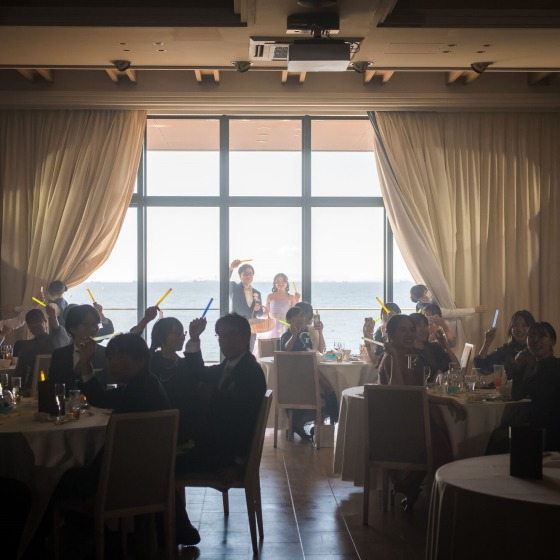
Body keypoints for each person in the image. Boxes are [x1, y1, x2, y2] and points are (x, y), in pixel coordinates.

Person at [378, 314, 466, 510]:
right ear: (391, 335)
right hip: (397, 427)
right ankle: (441, 496)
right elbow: (399, 394)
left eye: (412, 329)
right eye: (403, 330)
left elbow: (417, 392)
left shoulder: (410, 357)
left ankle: (421, 488)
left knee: (441, 436)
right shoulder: (390, 358)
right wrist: (393, 356)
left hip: (411, 420)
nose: (410, 334)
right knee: (440, 442)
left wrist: (447, 401)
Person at [181, 313, 266, 473]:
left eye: (231, 335)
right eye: (221, 336)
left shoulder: (250, 372)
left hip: (224, 455)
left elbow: (245, 421)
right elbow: (200, 373)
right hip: (219, 447)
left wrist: (238, 462)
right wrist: (194, 338)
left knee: (165, 461)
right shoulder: (231, 364)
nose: (225, 342)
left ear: (246, 338)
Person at [149, 316, 204, 444]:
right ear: (161, 336)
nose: (182, 337)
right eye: (177, 333)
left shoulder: (185, 363)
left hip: (182, 427)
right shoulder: (150, 361)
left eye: (183, 333)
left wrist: (195, 337)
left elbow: (199, 374)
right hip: (154, 426)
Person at [512, 322, 560, 451]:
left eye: (541, 336)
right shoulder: (534, 369)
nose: (535, 340)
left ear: (552, 341)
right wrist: (518, 368)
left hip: (553, 432)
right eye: (532, 335)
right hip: (537, 429)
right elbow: (516, 395)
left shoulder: (557, 366)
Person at [49, 304, 111, 391]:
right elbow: (53, 387)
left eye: (95, 324)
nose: (93, 329)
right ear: (72, 328)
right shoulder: (59, 355)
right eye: (86, 324)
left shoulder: (106, 353)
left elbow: (110, 386)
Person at [15, 308, 71, 393]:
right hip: (55, 388)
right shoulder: (56, 341)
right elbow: (20, 373)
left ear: (45, 321)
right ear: (28, 327)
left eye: (37, 321)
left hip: (36, 388)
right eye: (30, 323)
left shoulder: (27, 346)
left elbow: (19, 374)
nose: (34, 325)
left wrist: (17, 391)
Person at [474, 309, 535, 378]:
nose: (519, 329)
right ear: (511, 328)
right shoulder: (507, 350)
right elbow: (482, 368)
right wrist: (487, 342)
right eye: (515, 325)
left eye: (524, 325)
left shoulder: (536, 350)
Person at [410, 312, 458, 382]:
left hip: (432, 388)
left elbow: (457, 369)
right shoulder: (406, 350)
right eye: (419, 326)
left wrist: (446, 346)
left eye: (425, 325)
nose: (423, 330)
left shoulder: (433, 347)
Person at [229, 260, 263, 352]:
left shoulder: (257, 293)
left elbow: (260, 313)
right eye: (245, 274)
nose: (248, 276)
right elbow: (224, 281)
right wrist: (231, 268)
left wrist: (257, 310)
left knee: (249, 352)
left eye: (250, 274)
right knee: (235, 352)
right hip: (236, 326)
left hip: (252, 329)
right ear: (240, 275)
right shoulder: (234, 288)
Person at [363, 302, 401, 366]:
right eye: (384, 313)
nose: (387, 315)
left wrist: (385, 335)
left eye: (390, 313)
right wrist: (367, 337)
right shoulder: (379, 332)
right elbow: (375, 358)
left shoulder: (399, 333)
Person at [265, 273, 300, 338]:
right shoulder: (270, 296)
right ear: (275, 284)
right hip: (273, 326)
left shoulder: (291, 297)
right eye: (278, 281)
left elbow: (294, 313)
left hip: (286, 324)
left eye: (283, 281)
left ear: (287, 283)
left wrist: (297, 299)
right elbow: (266, 313)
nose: (280, 283)